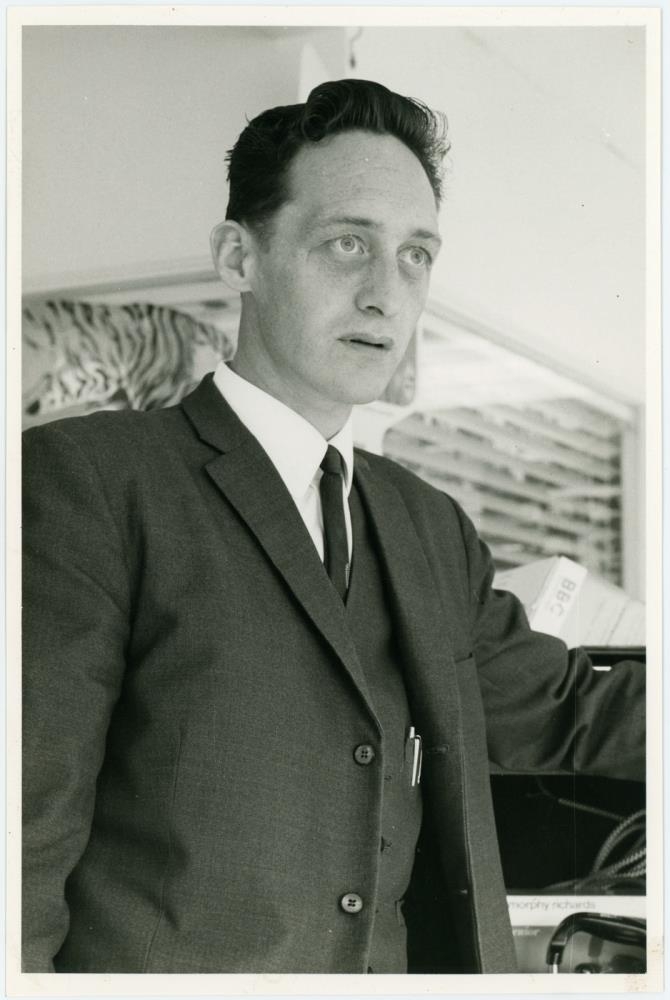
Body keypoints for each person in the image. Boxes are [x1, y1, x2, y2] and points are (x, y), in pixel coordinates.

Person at [22, 78, 645, 975]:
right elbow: (20, 841)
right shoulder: (90, 480)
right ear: (239, 258)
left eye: (416, 255)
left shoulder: (428, 525)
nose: (386, 295)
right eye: (348, 244)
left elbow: (567, 711)